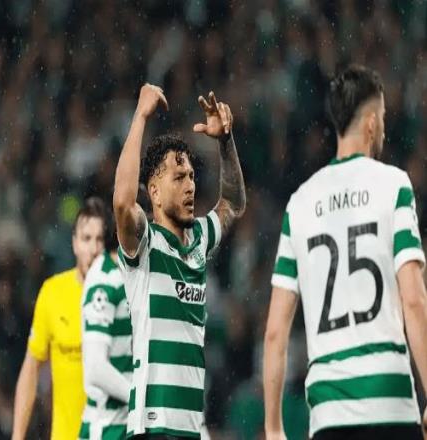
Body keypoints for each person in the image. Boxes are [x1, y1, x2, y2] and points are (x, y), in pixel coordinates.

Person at [263, 64, 427, 440]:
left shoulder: (300, 203)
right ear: (371, 123)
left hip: (329, 414)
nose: (383, 128)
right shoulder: (394, 185)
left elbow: (275, 332)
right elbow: (414, 300)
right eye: (382, 118)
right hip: (389, 403)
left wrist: (273, 427)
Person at [113, 84, 246, 439]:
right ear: (154, 192)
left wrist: (225, 142)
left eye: (191, 176)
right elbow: (123, 203)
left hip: (189, 426)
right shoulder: (145, 244)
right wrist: (140, 115)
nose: (190, 186)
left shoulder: (200, 237)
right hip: (153, 426)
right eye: (178, 177)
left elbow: (233, 203)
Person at [12, 197, 108, 440]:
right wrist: (17, 436)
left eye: (99, 239)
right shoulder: (53, 293)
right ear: (74, 243)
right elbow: (31, 367)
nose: (93, 248)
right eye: (86, 238)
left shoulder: (122, 293)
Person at [78, 217, 132, 440]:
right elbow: (95, 367)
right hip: (107, 428)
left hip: (132, 426)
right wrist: (140, 400)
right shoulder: (104, 280)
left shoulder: (136, 273)